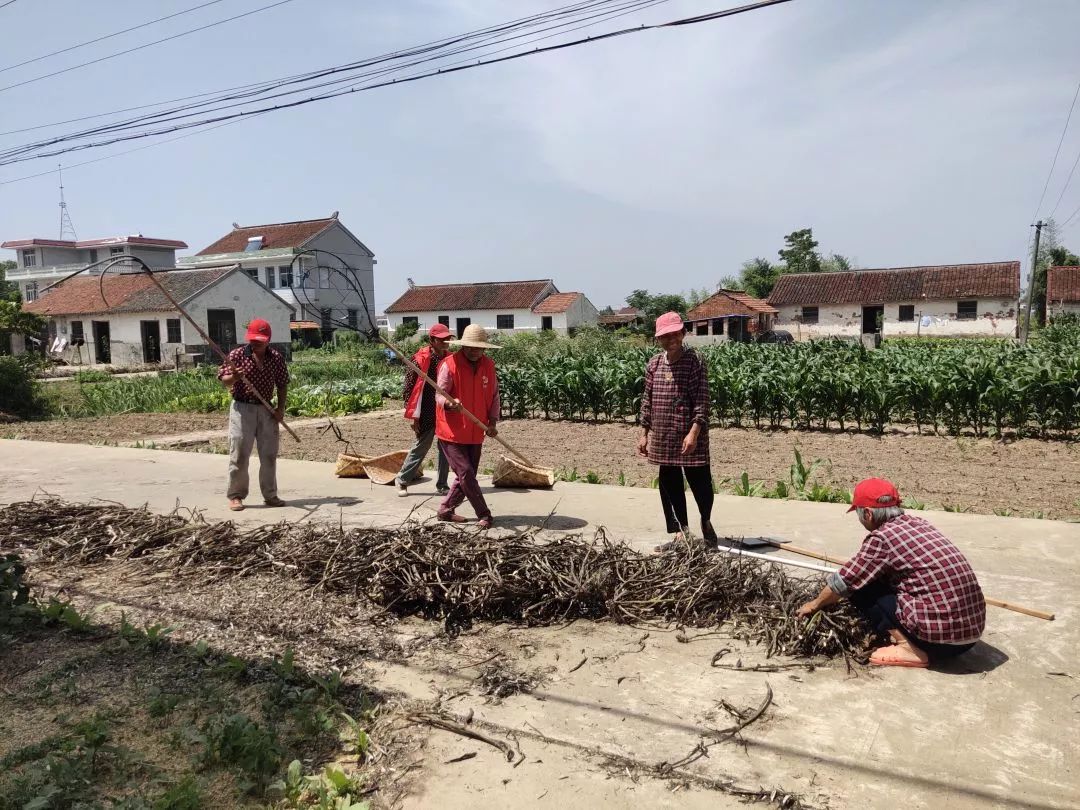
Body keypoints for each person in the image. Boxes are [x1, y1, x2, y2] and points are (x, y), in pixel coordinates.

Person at [796, 478, 986, 668]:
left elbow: (844, 581)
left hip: (940, 644)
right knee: (879, 578)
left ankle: (909, 648)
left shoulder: (881, 538)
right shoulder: (919, 523)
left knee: (862, 589)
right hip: (971, 635)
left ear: (868, 514)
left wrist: (813, 605)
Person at [637, 311, 716, 550]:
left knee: (700, 481)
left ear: (683, 333)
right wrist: (644, 432)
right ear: (658, 339)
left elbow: (702, 399)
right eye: (665, 336)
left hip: (689, 432)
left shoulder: (695, 361)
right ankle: (681, 532)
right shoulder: (654, 363)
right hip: (663, 434)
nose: (671, 339)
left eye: (675, 334)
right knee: (669, 484)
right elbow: (647, 400)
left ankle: (706, 521)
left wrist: (694, 432)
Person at [218, 318, 289, 512]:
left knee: (269, 455)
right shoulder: (237, 355)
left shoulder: (276, 357)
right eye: (253, 339)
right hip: (242, 409)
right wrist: (235, 377)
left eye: (260, 340)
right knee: (240, 453)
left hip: (266, 409)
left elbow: (282, 384)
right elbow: (224, 380)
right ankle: (236, 495)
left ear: (268, 340)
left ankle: (270, 495)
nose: (256, 343)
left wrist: (280, 409)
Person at [434, 324, 501, 529]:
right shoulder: (449, 364)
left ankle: (445, 510)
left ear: (484, 348)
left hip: (476, 430)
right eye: (470, 347)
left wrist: (492, 422)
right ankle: (484, 514)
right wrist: (449, 403)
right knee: (465, 474)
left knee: (466, 475)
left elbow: (494, 395)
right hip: (451, 431)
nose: (474, 351)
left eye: (478, 347)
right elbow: (439, 394)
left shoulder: (488, 366)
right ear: (463, 346)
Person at [396, 324, 452, 497]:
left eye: (447, 339)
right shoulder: (420, 359)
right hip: (427, 408)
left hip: (443, 408)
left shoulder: (450, 358)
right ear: (432, 340)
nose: (445, 342)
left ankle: (442, 485)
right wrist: (414, 415)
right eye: (441, 339)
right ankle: (403, 480)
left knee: (445, 448)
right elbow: (408, 388)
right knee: (422, 446)